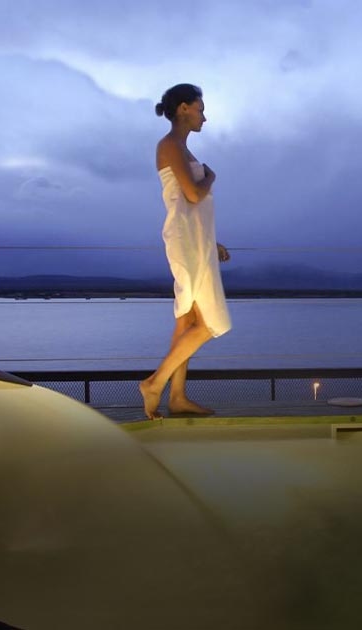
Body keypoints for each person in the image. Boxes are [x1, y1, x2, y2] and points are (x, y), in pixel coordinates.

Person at [140, 83, 232, 419]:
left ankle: (177, 397)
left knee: (187, 322)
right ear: (183, 108)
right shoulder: (169, 145)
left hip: (195, 239)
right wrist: (210, 178)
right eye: (200, 109)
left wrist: (211, 241)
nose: (204, 117)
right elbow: (193, 195)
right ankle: (155, 383)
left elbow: (189, 206)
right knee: (208, 323)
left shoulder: (181, 148)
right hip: (185, 240)